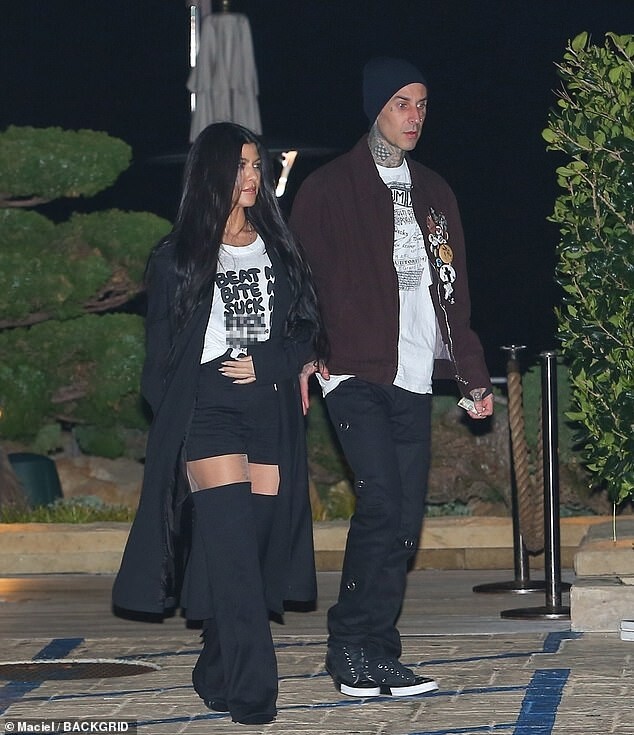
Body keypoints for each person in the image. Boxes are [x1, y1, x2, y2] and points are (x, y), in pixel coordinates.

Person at [290, 57, 494, 698]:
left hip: (414, 373)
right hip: (353, 370)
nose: (415, 116)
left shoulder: (434, 191)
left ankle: (375, 652)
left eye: (422, 104)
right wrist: (306, 353)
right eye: (402, 103)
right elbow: (298, 280)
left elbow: (452, 291)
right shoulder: (329, 187)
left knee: (404, 520)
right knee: (381, 503)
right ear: (376, 107)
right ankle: (351, 647)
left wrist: (471, 375)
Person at [112, 122, 326, 725]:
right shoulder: (178, 257)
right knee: (232, 554)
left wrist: (270, 364)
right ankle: (256, 695)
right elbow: (158, 360)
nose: (252, 177)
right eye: (240, 166)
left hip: (269, 411)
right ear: (211, 173)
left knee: (253, 556)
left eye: (256, 165)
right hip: (209, 413)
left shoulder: (279, 247)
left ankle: (215, 668)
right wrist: (182, 414)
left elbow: (308, 329)